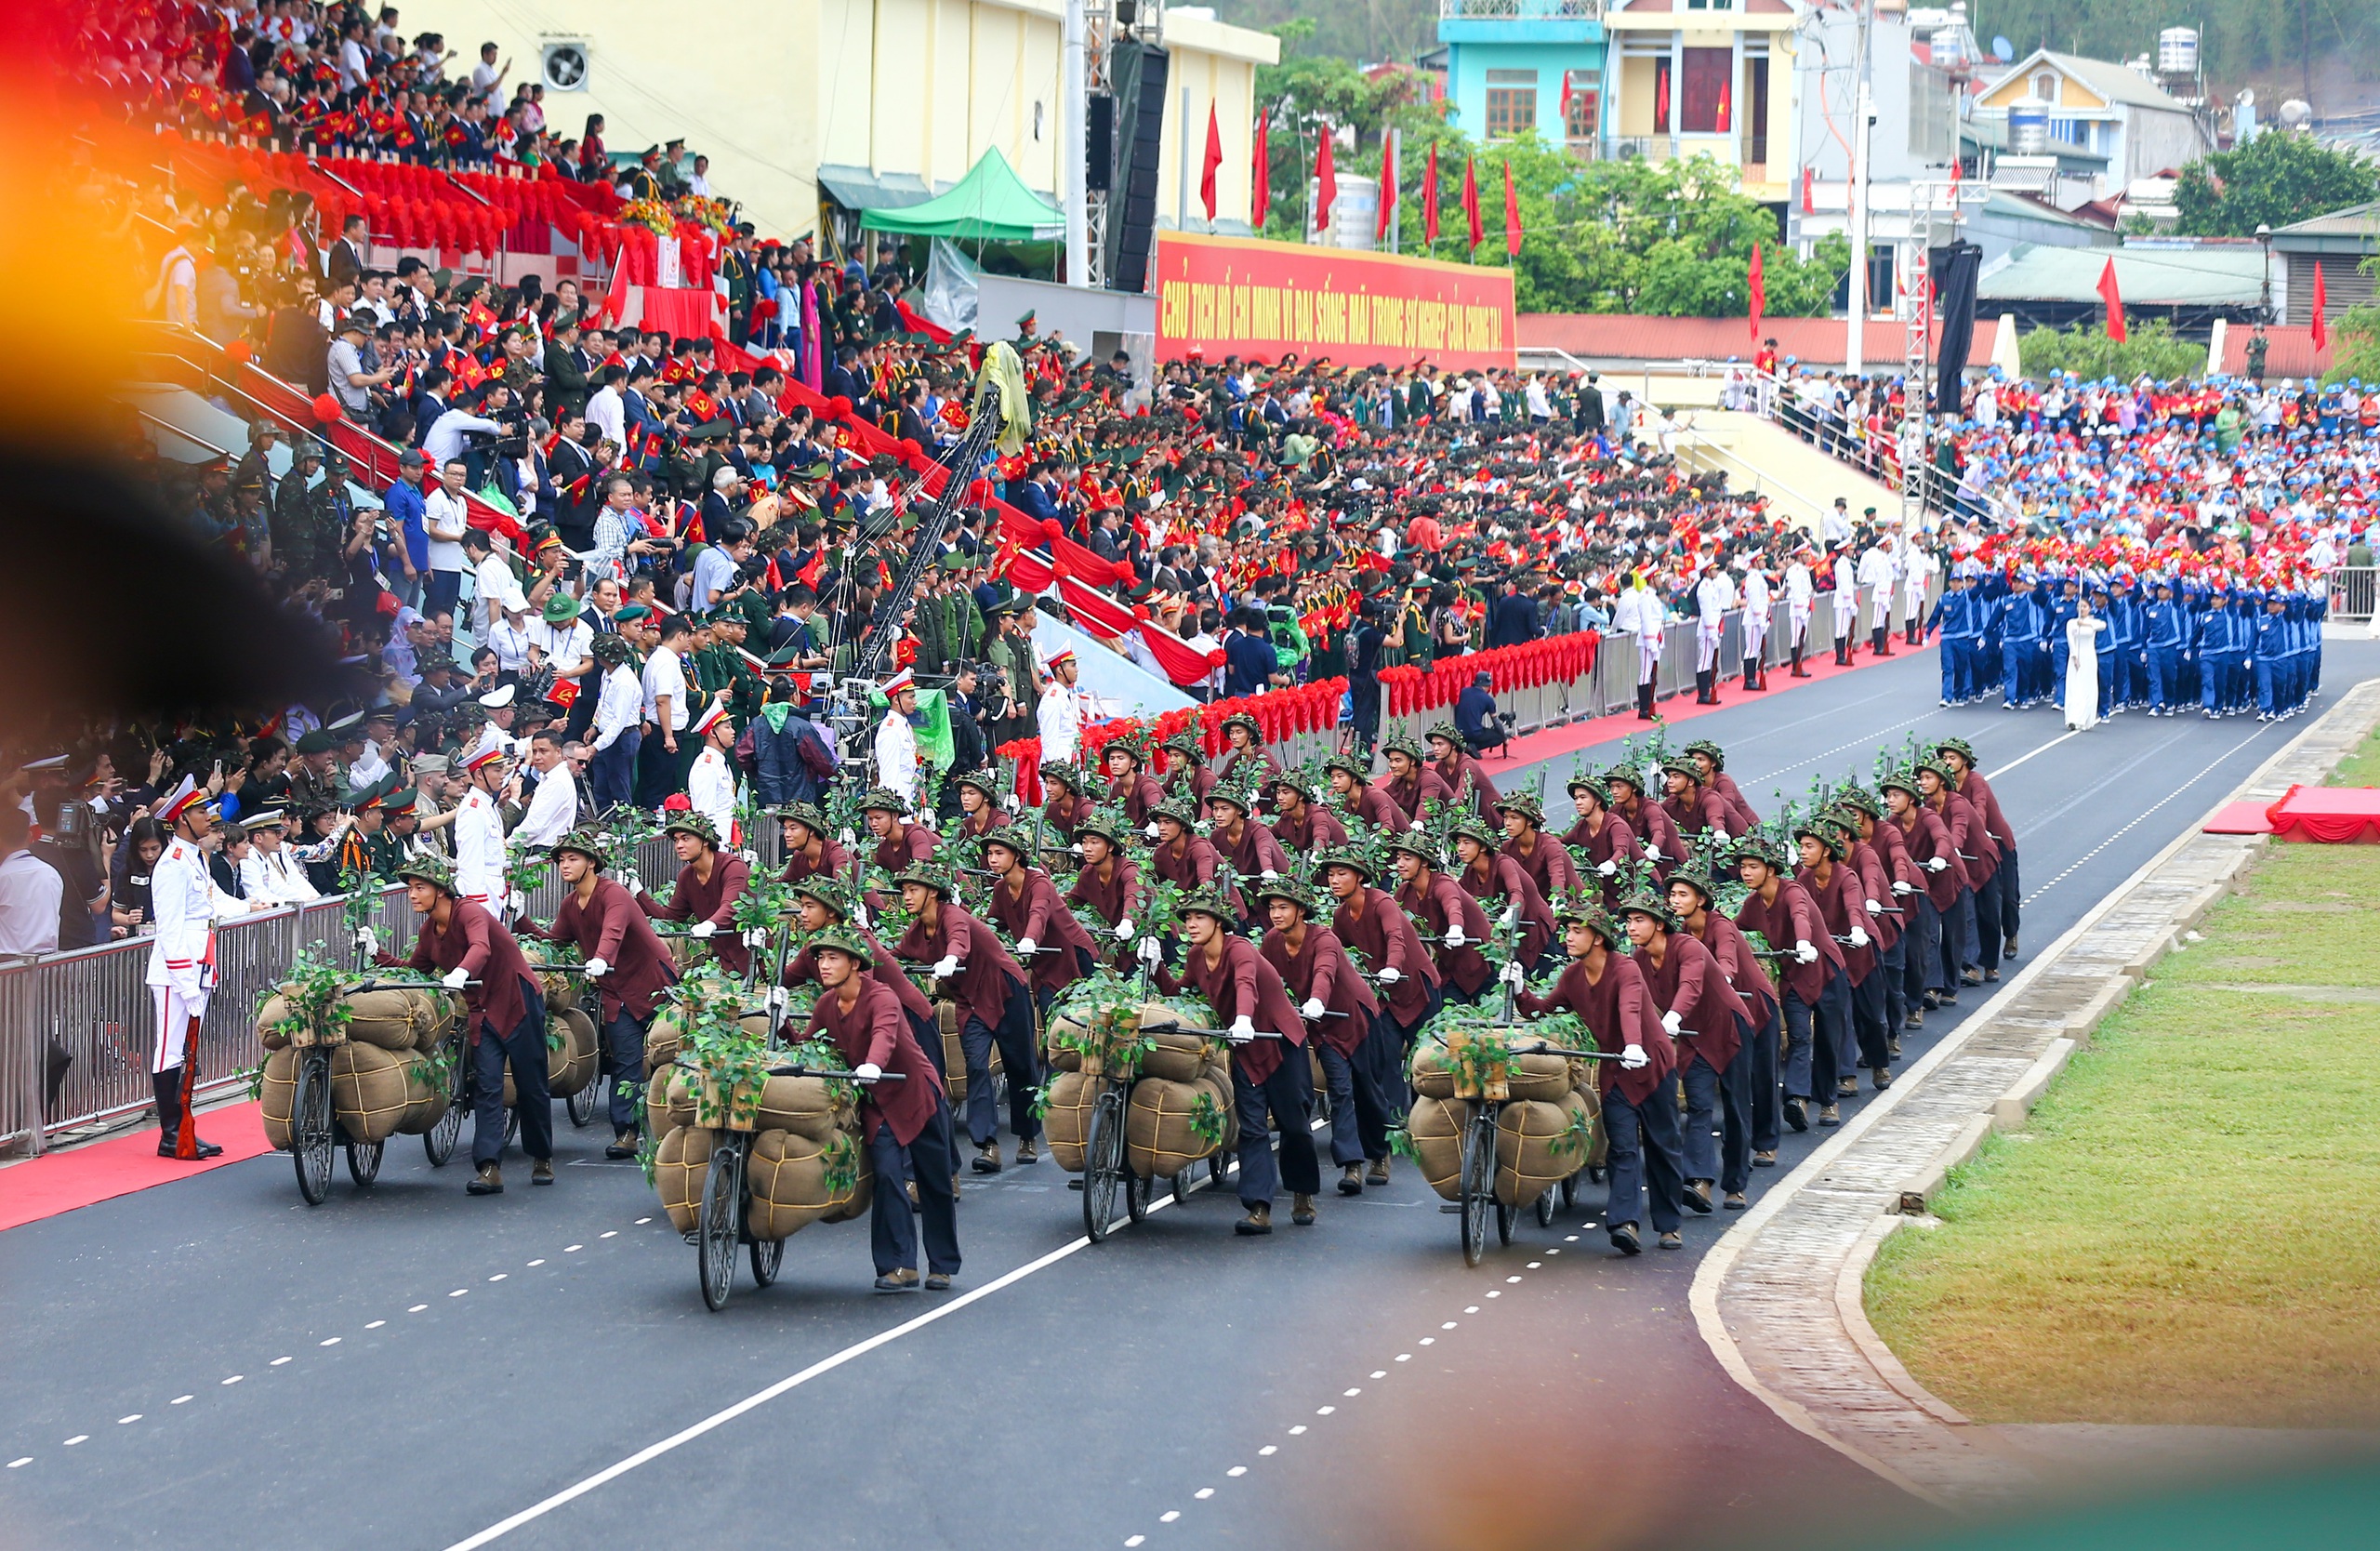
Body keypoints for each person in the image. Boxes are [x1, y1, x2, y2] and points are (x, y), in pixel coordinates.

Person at [374, 852, 551, 1194]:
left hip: (517, 1001)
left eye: (419, 887)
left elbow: (481, 948)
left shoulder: (470, 911)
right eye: (410, 888)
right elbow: (415, 973)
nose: (412, 894)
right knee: (486, 1086)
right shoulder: (430, 930)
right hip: (481, 1010)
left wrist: (461, 971)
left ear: (440, 890)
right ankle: (488, 1167)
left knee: (531, 1084)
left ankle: (542, 1156)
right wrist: (376, 954)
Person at [1150, 884, 1318, 1235]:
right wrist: (1155, 967)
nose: (1192, 924)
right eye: (1189, 918)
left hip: (1280, 1042)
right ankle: (1259, 1207)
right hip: (1245, 1048)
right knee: (1252, 1127)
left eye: (1200, 917)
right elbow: (1180, 992)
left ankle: (1301, 1192)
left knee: (1295, 1125)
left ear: (1219, 923)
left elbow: (1246, 984)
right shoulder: (1197, 957)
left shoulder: (1240, 948)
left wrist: (1243, 1018)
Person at [802, 926, 962, 1292]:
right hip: (877, 1103)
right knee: (889, 1177)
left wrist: (873, 1063)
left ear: (856, 964)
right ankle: (899, 1264)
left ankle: (941, 1263)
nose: (824, 966)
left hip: (916, 1093)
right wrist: (779, 1022)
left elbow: (884, 1036)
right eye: (821, 959)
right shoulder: (827, 1004)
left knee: (934, 1182)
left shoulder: (883, 997)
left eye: (833, 958)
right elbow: (809, 1043)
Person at [1518, 899, 1677, 1255]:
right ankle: (1625, 1224)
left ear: (1599, 938)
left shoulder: (1625, 969)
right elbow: (1545, 1011)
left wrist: (1635, 1045)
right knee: (1621, 1147)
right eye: (1568, 931)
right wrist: (1519, 991)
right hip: (1616, 1071)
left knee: (1661, 1146)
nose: (1568, 938)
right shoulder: (1572, 977)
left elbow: (1630, 1007)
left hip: (1652, 1065)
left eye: (1578, 931)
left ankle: (1668, 1226)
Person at [524, 829, 677, 1160]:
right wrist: (521, 919)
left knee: (671, 1057)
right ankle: (626, 1133)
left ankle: (677, 1127)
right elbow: (555, 942)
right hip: (616, 991)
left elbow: (613, 931)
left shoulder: (615, 894)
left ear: (591, 863)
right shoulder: (570, 903)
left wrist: (600, 957)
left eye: (573, 859)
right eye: (561, 860)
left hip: (653, 984)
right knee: (625, 1062)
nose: (565, 865)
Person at [888, 866, 1040, 1173]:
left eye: (913, 890)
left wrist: (950, 959)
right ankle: (988, 1145)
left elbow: (959, 941)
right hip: (970, 1002)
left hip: (1005, 990)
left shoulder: (952, 915)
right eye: (904, 890)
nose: (906, 897)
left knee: (1020, 1063)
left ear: (932, 892)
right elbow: (891, 957)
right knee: (975, 1066)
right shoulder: (918, 930)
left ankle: (1027, 1136)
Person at [1258, 877, 1392, 1197]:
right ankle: (1352, 1165)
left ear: (1301, 911)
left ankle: (1381, 1152)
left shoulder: (1325, 939)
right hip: (1324, 1028)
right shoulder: (1271, 943)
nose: (1276, 914)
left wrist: (1316, 999)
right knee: (1340, 1090)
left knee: (1369, 1092)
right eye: (1272, 908)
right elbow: (1262, 979)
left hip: (1357, 1017)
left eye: (1284, 907)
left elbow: (1325, 972)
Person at [144, 778, 227, 1160]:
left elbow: (208, 912)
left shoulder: (195, 857)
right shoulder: (172, 865)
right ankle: (170, 1133)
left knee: (186, 1052)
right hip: (177, 970)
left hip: (199, 964)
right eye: (198, 812)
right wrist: (184, 981)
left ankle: (183, 1127)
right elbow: (170, 928)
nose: (207, 818)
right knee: (169, 1051)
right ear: (180, 819)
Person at [980, 825, 1095, 1020]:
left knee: (1087, 1021)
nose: (992, 859)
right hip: (1044, 964)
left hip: (1074, 957)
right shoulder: (1001, 889)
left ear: (1016, 856)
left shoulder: (1039, 883)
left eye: (999, 853)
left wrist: (1030, 938)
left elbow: (1038, 912)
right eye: (990, 853)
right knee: (1050, 1021)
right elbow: (992, 924)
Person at [637, 811, 752, 977]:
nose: (679, 846)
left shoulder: (733, 867)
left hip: (756, 960)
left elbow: (731, 905)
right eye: (676, 840)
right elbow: (671, 916)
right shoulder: (686, 876)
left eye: (686, 838)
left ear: (705, 841)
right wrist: (638, 893)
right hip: (725, 967)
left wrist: (709, 925)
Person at [872, 669, 922, 802]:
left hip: (908, 798)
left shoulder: (903, 724)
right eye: (910, 697)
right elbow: (889, 775)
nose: (915, 701)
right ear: (896, 699)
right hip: (898, 803)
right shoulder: (890, 730)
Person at [2064, 595, 2108, 731]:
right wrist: (2074, 656)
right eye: (2079, 607)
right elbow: (2071, 640)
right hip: (2076, 657)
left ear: (2089, 608)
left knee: (2086, 686)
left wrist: (2086, 623)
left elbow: (2102, 626)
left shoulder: (2093, 622)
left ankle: (2084, 718)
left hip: (2089, 656)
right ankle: (2072, 717)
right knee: (2074, 686)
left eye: (2084, 606)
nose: (2081, 609)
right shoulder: (2071, 622)